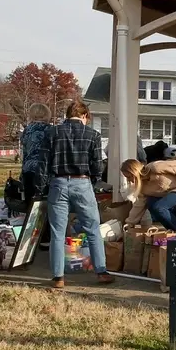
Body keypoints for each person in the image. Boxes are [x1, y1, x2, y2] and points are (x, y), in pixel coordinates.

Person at [38, 99, 114, 290]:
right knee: (92, 228)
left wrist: (44, 185)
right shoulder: (93, 135)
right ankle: (101, 272)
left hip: (58, 183)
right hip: (82, 182)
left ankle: (58, 277)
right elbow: (98, 165)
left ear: (67, 115)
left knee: (57, 232)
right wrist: (93, 181)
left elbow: (43, 163)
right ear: (85, 116)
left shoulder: (52, 132)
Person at [120, 158, 176, 233]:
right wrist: (130, 223)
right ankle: (174, 231)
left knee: (159, 207)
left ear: (134, 171)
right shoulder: (141, 187)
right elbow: (139, 205)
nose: (129, 180)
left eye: (129, 176)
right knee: (151, 204)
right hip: (172, 193)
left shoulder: (155, 168)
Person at [20, 103, 51, 204]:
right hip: (46, 170)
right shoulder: (51, 130)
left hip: (29, 169)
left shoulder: (27, 131)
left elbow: (25, 153)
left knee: (30, 203)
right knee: (46, 203)